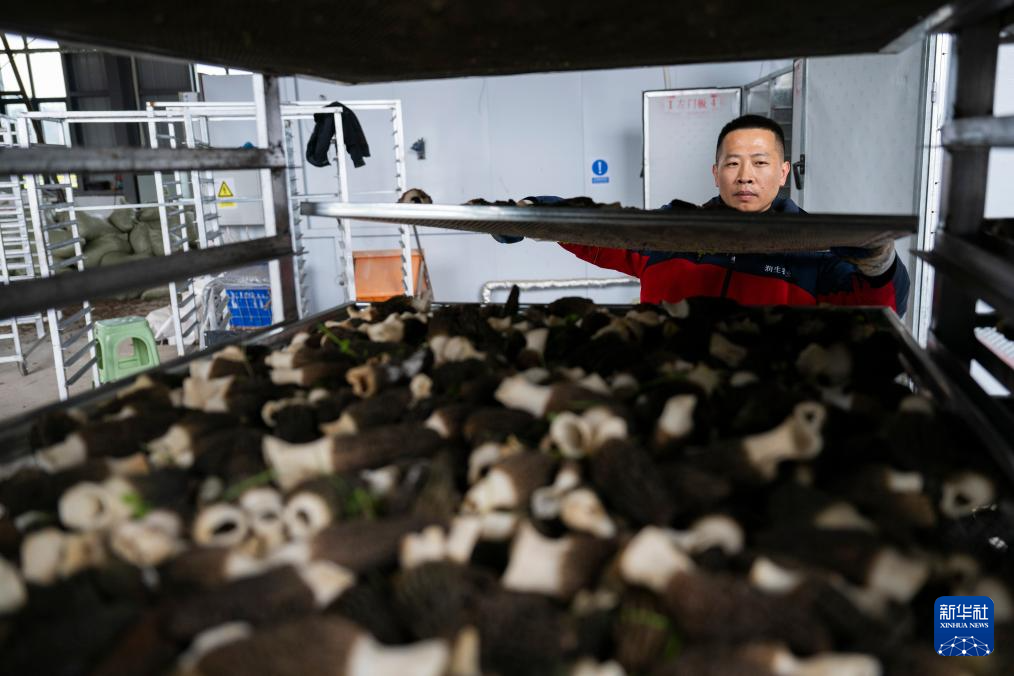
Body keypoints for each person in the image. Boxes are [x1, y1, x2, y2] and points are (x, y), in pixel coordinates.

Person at [497, 114, 909, 316]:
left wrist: (879, 259)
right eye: (732, 163)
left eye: (760, 163)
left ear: (784, 172)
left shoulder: (816, 253)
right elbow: (597, 235)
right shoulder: (671, 234)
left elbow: (882, 305)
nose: (745, 176)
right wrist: (534, 213)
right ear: (715, 173)